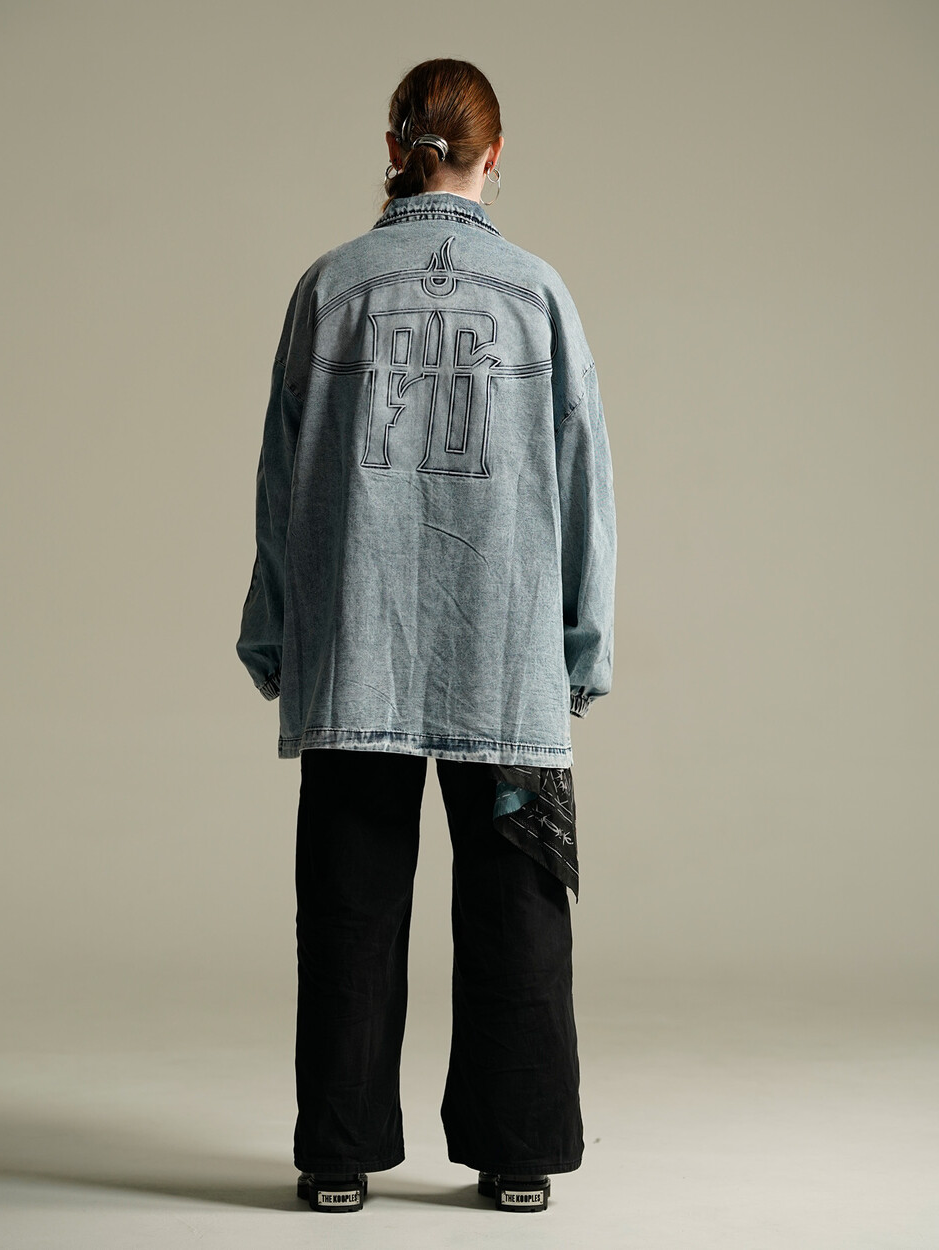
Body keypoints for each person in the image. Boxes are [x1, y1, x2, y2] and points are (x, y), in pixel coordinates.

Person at [236, 57, 617, 1214]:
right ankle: (518, 1153)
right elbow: (584, 478)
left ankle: (336, 1154)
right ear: (493, 155)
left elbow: (280, 477)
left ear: (395, 148)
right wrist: (582, 646)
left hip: (359, 642)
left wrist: (275, 630)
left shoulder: (329, 285)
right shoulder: (538, 291)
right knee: (515, 906)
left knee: (349, 905)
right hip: (504, 650)